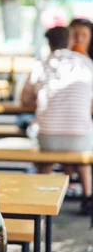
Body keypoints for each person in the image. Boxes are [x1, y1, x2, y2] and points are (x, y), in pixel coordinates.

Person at [21, 26, 93, 215]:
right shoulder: (85, 63)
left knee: (46, 156)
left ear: (49, 44)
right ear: (70, 42)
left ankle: (38, 199)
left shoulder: (41, 65)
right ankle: (88, 195)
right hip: (79, 138)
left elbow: (24, 100)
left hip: (48, 137)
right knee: (83, 145)